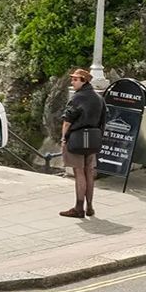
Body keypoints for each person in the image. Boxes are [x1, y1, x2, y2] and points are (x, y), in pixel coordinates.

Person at [58, 68, 104, 218]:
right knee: (89, 171)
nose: (72, 82)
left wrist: (64, 138)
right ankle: (90, 207)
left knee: (79, 172)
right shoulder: (98, 98)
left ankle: (79, 208)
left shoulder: (77, 98)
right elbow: (103, 121)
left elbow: (67, 121)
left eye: (75, 79)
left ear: (84, 81)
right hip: (93, 138)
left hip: (77, 138)